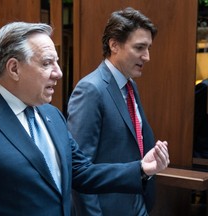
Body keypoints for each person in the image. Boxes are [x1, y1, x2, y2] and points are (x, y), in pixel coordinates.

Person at [0, 21, 169, 216]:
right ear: (14, 68)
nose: (58, 73)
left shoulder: (51, 115)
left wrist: (140, 169)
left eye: (57, 62)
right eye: (47, 63)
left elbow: (82, 172)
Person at [67, 7, 161, 216]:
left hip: (138, 202)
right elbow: (80, 170)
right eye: (140, 48)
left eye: (149, 48)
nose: (147, 57)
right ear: (114, 45)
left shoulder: (130, 86)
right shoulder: (91, 90)